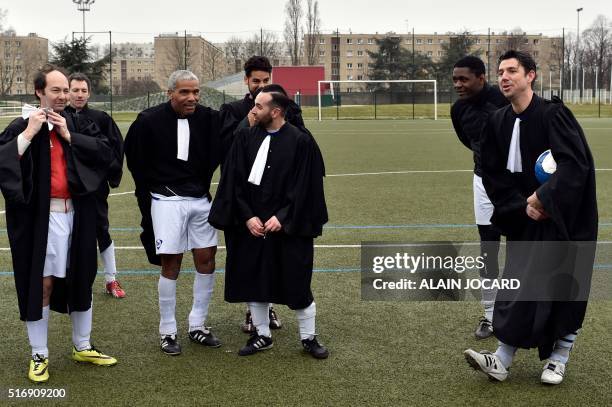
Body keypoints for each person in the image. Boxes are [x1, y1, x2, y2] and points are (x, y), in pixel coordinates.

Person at [464, 50, 598, 385]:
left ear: (531, 76)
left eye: (512, 71)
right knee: (518, 286)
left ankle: (559, 358)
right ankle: (501, 359)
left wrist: (545, 198)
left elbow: (575, 165)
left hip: (564, 216)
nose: (504, 77)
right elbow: (492, 174)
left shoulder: (554, 115)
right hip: (524, 217)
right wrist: (521, 205)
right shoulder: (498, 122)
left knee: (563, 288)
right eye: (500, 72)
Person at [0, 65, 118, 383]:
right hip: (40, 220)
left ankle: (83, 345)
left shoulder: (79, 123)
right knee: (43, 285)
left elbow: (107, 156)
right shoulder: (22, 125)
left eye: (66, 90)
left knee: (82, 277)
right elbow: (4, 163)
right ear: (39, 92)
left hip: (78, 214)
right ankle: (39, 354)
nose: (63, 96)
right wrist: (27, 135)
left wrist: (70, 135)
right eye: (56, 90)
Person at [209, 84, 329, 359]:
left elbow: (305, 188)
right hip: (251, 227)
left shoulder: (301, 142)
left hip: (289, 228)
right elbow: (233, 182)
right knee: (255, 280)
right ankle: (262, 334)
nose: (253, 110)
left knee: (297, 282)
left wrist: (282, 217)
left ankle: (308, 338)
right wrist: (248, 216)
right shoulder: (244, 139)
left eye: (259, 106)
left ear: (275, 111)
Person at [124, 70, 236, 356]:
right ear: (170, 93)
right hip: (166, 202)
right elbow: (137, 164)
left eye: (196, 92)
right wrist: (151, 197)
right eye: (185, 92)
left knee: (207, 259)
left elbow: (234, 133)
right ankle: (167, 330)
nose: (192, 97)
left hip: (200, 200)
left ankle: (197, 324)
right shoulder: (148, 121)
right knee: (171, 264)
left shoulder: (209, 119)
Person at [220, 55, 280, 333]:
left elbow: (296, 142)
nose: (261, 85)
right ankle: (250, 311)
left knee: (272, 255)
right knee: (245, 255)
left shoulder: (282, 108)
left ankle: (268, 307)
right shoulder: (232, 110)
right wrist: (248, 122)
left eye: (266, 80)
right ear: (246, 80)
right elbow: (224, 148)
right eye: (256, 80)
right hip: (242, 198)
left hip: (273, 197)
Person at [450, 56, 508, 339]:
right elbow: (468, 140)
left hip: (516, 186)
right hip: (483, 183)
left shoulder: (503, 100)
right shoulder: (458, 110)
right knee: (488, 248)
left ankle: (522, 311)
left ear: (481, 78)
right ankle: (489, 315)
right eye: (455, 80)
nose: (458, 84)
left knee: (525, 248)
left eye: (464, 79)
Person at [66, 72, 126, 298]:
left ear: (89, 93)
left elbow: (115, 150)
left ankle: (111, 279)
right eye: (75, 90)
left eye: (83, 90)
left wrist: (105, 177)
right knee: (68, 233)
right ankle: (71, 280)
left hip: (94, 189)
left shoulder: (100, 118)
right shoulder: (59, 117)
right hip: (67, 188)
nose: (79, 95)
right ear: (67, 91)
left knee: (101, 230)